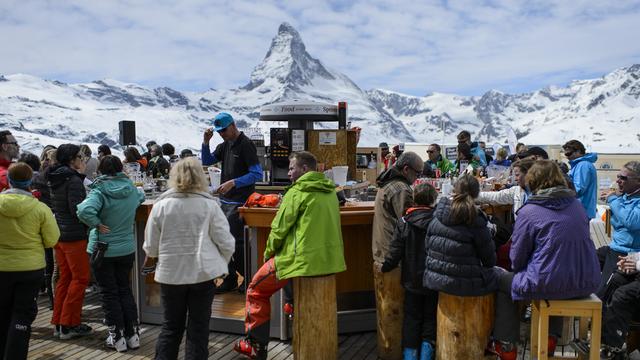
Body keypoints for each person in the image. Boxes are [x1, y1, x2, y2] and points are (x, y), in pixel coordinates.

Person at [234, 151, 346, 360]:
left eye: (292, 168)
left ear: (304, 169)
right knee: (288, 281)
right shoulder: (331, 191)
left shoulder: (297, 192)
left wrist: (268, 253)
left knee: (255, 290)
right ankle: (292, 304)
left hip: (300, 260)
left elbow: (279, 229)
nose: (288, 173)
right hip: (329, 260)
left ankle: (255, 345)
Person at [488, 160, 600, 360]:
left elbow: (517, 259)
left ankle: (506, 346)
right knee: (556, 278)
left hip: (549, 283)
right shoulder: (577, 206)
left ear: (533, 182)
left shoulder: (529, 212)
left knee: (504, 281)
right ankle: (549, 339)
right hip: (586, 281)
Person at [143, 157, 235, 360]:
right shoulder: (209, 206)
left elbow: (150, 245)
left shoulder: (161, 206)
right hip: (202, 274)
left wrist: (157, 256)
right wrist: (221, 265)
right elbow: (226, 243)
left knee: (171, 327)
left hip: (170, 274)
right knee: (198, 329)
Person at [77, 155, 145, 352]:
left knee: (109, 293)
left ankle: (117, 337)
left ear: (101, 170)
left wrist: (97, 224)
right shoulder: (131, 189)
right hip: (126, 248)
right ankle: (133, 335)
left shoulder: (99, 191)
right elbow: (141, 197)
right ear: (120, 168)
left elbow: (83, 210)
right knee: (124, 289)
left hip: (102, 249)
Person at [0, 163, 59, 360]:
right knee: (22, 315)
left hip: (1, 268)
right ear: (29, 182)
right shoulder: (40, 209)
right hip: (30, 268)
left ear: (9, 180)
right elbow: (52, 240)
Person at [201, 112, 263, 292]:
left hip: (240, 202)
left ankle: (247, 277)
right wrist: (206, 142)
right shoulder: (225, 145)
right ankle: (229, 278)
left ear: (233, 125)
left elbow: (256, 174)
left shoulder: (246, 145)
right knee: (220, 240)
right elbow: (207, 160)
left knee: (236, 243)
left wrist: (233, 182)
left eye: (224, 131)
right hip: (224, 201)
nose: (222, 134)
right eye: (219, 132)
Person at [372, 151, 423, 360]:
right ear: (406, 170)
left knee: (385, 310)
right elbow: (409, 221)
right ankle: (393, 353)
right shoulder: (400, 189)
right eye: (417, 173)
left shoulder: (388, 183)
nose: (417, 178)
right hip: (392, 256)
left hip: (381, 252)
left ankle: (388, 350)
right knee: (393, 310)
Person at [380, 183, 438, 360]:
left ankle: (410, 357)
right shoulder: (438, 222)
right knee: (430, 319)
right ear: (433, 200)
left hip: (411, 281)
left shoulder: (404, 222)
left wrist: (385, 266)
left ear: (414, 199)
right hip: (433, 280)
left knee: (411, 320)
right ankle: (426, 356)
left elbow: (395, 251)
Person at [423, 174, 498, 296]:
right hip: (466, 283)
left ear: (454, 190)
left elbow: (427, 246)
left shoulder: (439, 212)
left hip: (435, 278)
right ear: (476, 193)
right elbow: (490, 260)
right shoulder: (476, 219)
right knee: (502, 279)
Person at [47, 144, 93, 339]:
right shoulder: (72, 180)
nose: (83, 160)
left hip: (60, 234)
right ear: (72, 159)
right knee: (80, 278)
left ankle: (59, 323)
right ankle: (68, 324)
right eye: (81, 157)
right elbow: (78, 210)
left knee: (65, 279)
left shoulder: (55, 176)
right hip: (74, 236)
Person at [595, 161, 640, 301]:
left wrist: (614, 200)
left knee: (603, 291)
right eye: (618, 176)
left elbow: (632, 222)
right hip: (614, 246)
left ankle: (599, 316)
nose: (618, 181)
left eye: (624, 178)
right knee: (581, 261)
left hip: (626, 252)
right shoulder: (626, 197)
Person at [563, 140, 597, 218]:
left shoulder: (583, 165)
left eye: (569, 153)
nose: (567, 157)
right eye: (566, 154)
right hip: (581, 210)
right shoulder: (581, 165)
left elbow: (578, 189)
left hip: (580, 211)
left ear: (578, 151)